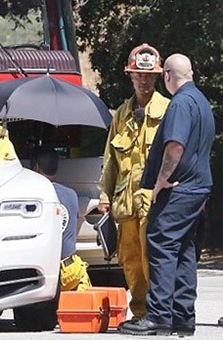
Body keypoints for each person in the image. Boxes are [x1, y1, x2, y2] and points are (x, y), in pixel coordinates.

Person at [119, 54, 214, 336]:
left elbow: (175, 147)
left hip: (179, 189)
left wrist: (160, 182)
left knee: (160, 245)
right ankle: (183, 318)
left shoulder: (181, 104)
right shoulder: (201, 101)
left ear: (168, 77)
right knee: (183, 249)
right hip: (197, 188)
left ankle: (159, 316)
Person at [98, 43, 170, 321]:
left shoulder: (169, 110)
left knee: (154, 259)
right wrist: (104, 197)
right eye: (138, 75)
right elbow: (111, 160)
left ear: (158, 77)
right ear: (129, 76)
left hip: (155, 203)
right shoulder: (121, 115)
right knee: (130, 260)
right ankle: (140, 315)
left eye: (149, 76)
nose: (143, 80)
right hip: (126, 204)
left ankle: (160, 312)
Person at [31, 146, 91, 292]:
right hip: (71, 272)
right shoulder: (71, 195)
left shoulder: (31, 197)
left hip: (43, 274)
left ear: (36, 168)